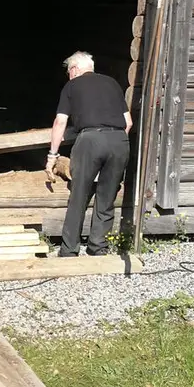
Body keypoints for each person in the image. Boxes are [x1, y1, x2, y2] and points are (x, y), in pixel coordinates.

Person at [46, 51, 132, 257]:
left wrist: (52, 155)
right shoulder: (112, 83)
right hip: (119, 140)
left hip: (90, 139)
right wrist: (113, 139)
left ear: (74, 69)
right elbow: (128, 123)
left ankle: (69, 249)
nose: (68, 75)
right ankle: (98, 247)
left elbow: (60, 122)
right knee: (107, 196)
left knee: (79, 195)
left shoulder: (72, 86)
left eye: (68, 72)